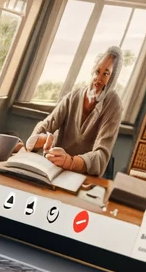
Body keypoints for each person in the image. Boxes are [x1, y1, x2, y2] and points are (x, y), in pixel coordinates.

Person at [25, 47, 124, 177]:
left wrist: (71, 162)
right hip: (54, 169)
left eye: (105, 74)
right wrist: (37, 140)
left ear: (112, 79)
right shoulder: (74, 96)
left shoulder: (113, 104)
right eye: (97, 71)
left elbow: (101, 156)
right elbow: (47, 124)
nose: (98, 79)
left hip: (82, 177)